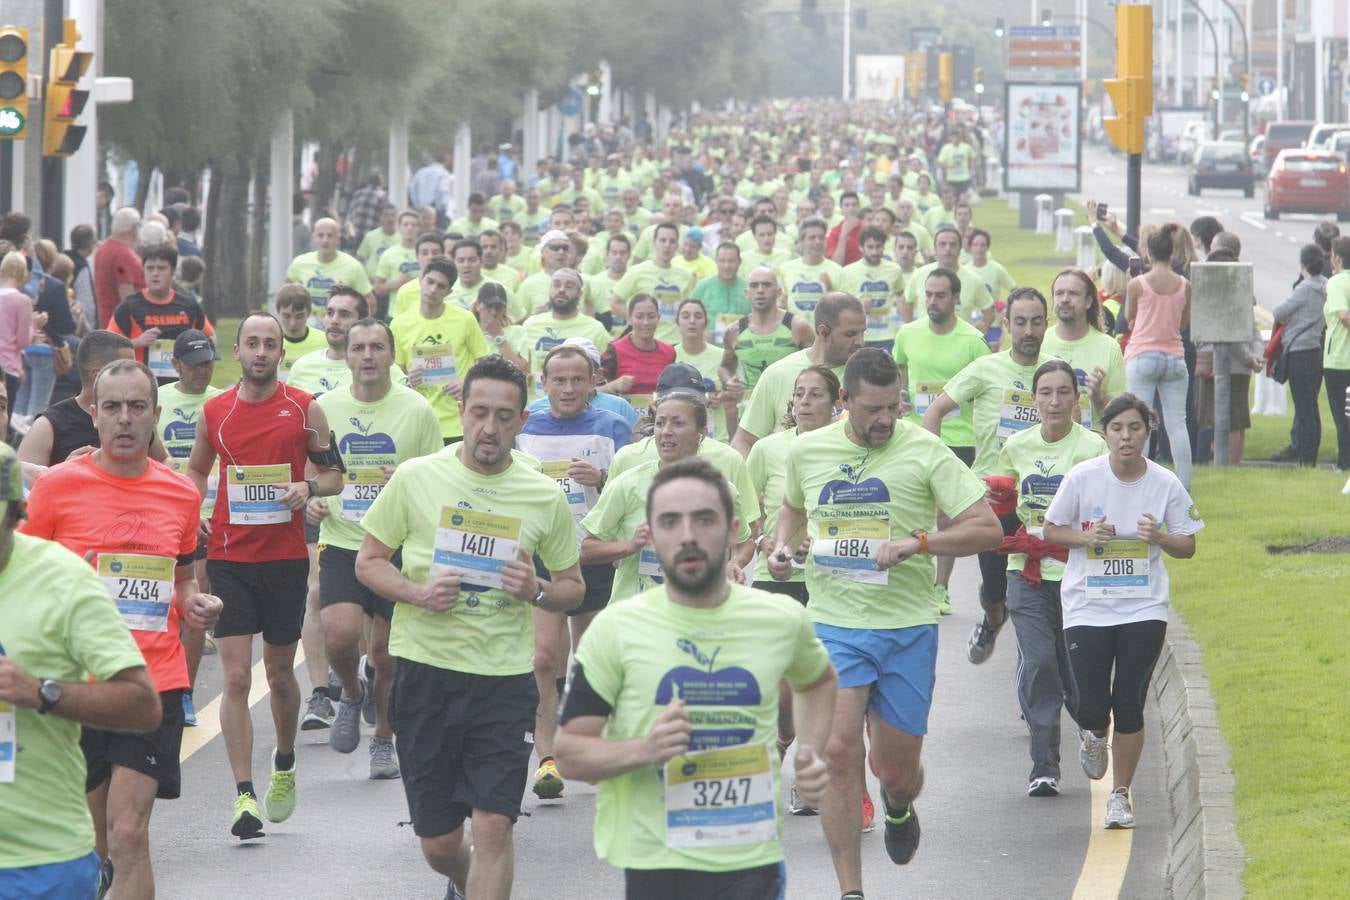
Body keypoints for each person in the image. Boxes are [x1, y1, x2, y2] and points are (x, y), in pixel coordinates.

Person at [768, 349, 1001, 897]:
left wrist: (917, 543)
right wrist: (782, 547)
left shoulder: (925, 450)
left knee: (894, 770)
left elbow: (986, 528)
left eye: (893, 407)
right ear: (843, 401)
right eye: (873, 409)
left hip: (906, 627)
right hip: (834, 624)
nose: (885, 420)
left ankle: (898, 803)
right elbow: (794, 507)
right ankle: (851, 890)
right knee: (838, 751)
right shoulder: (808, 450)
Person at [555, 458, 838, 900]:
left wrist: (813, 752)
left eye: (704, 519)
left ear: (732, 531)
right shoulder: (616, 630)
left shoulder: (780, 619)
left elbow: (818, 680)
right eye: (670, 521)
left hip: (750, 856)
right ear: (649, 533)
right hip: (654, 858)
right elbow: (570, 753)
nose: (687, 535)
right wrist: (644, 749)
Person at [355, 355, 585, 899]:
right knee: (439, 844)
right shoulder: (417, 477)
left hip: (503, 680)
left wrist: (535, 589)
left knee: (494, 826)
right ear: (460, 410)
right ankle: (465, 880)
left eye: (504, 416)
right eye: (479, 412)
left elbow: (573, 586)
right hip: (425, 673)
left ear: (522, 421)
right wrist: (417, 593)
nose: (490, 427)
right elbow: (368, 561)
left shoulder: (541, 495)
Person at [20, 359, 224, 898]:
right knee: (92, 847)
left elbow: (181, 582)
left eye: (138, 407)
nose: (125, 419)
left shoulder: (180, 493)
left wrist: (195, 602)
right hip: (75, 688)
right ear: (93, 414)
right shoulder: (56, 489)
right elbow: (22, 573)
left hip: (150, 683)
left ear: (157, 415)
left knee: (129, 833)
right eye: (112, 407)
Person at [185, 312, 344, 839]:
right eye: (251, 343)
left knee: (278, 674)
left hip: (284, 557)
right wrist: (196, 508)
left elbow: (334, 474)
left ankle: (284, 759)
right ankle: (243, 796)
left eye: (269, 344)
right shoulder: (216, 412)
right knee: (235, 676)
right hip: (231, 556)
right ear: (237, 350)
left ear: (281, 352)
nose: (259, 351)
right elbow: (196, 470)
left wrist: (309, 490)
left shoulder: (305, 409)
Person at [0, 441, 163, 900]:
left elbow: (143, 705)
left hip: (42, 862)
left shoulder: (65, 581)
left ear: (18, 515)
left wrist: (41, 692)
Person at [1044, 393, 1202, 829]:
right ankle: (1093, 733)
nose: (1126, 437)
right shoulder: (1082, 477)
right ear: (1105, 433)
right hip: (1088, 606)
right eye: (1117, 429)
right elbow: (1051, 529)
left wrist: (1162, 538)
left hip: (1142, 606)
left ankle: (1120, 794)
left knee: (1129, 701)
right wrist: (1087, 538)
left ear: (1148, 432)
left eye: (1134, 428)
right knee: (1093, 704)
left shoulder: (1164, 482)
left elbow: (1188, 544)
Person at [310, 317, 441, 777]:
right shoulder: (324, 407)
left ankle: (384, 737)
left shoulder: (417, 409)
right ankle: (350, 690)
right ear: (346, 356)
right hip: (343, 539)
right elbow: (317, 474)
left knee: (385, 654)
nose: (367, 356)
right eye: (359, 348)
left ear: (391, 356)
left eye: (377, 348)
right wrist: (313, 500)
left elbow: (435, 479)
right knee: (340, 635)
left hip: (396, 546)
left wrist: (403, 480)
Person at [514, 343, 632, 803]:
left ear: (593, 383)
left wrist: (600, 480)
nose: (567, 388)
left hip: (592, 554)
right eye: (557, 380)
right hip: (541, 556)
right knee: (544, 659)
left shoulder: (612, 426)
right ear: (542, 384)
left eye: (576, 380)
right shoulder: (527, 427)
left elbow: (628, 493)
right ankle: (547, 760)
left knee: (590, 661)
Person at [994, 360, 1107, 797]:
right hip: (1028, 572)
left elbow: (1106, 511)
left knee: (1074, 667)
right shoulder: (1016, 446)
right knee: (1039, 662)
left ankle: (1093, 728)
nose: (1054, 401)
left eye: (1063, 392)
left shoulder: (1094, 448)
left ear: (1076, 400)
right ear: (1034, 399)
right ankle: (1044, 765)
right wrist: (1001, 503)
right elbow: (1004, 513)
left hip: (1080, 573)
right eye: (1046, 393)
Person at [925, 287, 1053, 663]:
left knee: (1044, 589)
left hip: (1045, 496)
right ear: (1006, 324)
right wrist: (935, 475)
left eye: (1035, 322)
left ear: (1047, 324)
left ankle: (1044, 664)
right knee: (996, 591)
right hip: (994, 500)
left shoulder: (1055, 371)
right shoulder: (985, 369)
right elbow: (934, 413)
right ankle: (994, 617)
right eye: (1020, 322)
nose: (1028, 330)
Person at [746, 364, 841, 797]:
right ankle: (784, 738)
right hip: (775, 577)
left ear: (836, 404)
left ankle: (808, 775)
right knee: (781, 692)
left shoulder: (844, 450)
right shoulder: (767, 450)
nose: (803, 401)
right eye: (799, 394)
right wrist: (771, 545)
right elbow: (747, 519)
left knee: (817, 682)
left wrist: (821, 547)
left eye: (814, 394)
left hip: (828, 582)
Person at [581, 390, 754, 608]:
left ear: (702, 432)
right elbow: (587, 549)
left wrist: (734, 563)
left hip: (698, 613)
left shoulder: (722, 491)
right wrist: (628, 546)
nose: (666, 432)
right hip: (637, 616)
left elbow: (744, 541)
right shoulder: (628, 484)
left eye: (678, 423)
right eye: (660, 423)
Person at [893, 268, 991, 615]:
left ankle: (941, 588)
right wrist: (900, 402)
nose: (933, 301)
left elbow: (986, 391)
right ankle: (908, 583)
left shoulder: (973, 341)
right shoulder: (907, 334)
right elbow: (899, 374)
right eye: (929, 295)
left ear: (956, 299)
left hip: (958, 440)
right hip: (913, 436)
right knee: (908, 510)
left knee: (947, 519)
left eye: (940, 295)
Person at [155, 330, 224, 725]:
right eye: (194, 363)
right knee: (165, 605)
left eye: (207, 362)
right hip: (164, 511)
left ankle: (184, 691)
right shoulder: (159, 399)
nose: (202, 370)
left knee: (192, 599)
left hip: (211, 512)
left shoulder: (221, 400)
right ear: (176, 364)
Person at [732, 292, 866, 456]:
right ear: (823, 332)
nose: (860, 341)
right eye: (850, 334)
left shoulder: (867, 376)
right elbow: (743, 440)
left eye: (863, 332)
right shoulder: (777, 374)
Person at [390, 256, 493, 444]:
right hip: (419, 418)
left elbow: (485, 362)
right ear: (421, 280)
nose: (433, 290)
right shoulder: (399, 324)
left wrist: (467, 383)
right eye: (430, 282)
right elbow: (395, 373)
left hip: (458, 422)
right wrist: (408, 382)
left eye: (441, 286)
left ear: (449, 291)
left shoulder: (465, 319)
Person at [1124, 229, 1193, 489]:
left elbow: (1129, 318)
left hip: (1142, 356)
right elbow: (1184, 323)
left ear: (1148, 254)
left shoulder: (1137, 284)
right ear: (1172, 253)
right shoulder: (1185, 286)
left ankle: (1139, 482)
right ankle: (1185, 484)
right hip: (1175, 358)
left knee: (1141, 422)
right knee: (1177, 424)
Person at [18, 330, 137, 468]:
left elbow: (164, 462)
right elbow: (23, 484)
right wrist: (66, 471)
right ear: (98, 375)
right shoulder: (49, 425)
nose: (137, 375)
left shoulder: (138, 417)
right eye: (129, 369)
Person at [107, 243, 214, 383]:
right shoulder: (128, 307)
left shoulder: (189, 306)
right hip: (141, 386)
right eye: (150, 268)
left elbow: (210, 338)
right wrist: (137, 342)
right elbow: (107, 348)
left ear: (173, 271)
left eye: (161, 268)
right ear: (143, 271)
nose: (155, 274)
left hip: (181, 386)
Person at [1042, 267, 1127, 429]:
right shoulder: (1040, 341)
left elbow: (1122, 414)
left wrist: (1098, 397)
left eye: (1073, 293)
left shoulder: (1109, 347)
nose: (1065, 299)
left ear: (1088, 301)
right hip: (1047, 446)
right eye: (1059, 293)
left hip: (1094, 447)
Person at [718, 267, 814, 399]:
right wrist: (729, 382)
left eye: (766, 285)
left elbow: (818, 366)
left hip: (788, 410)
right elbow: (725, 368)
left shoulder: (798, 327)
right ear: (746, 292)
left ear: (778, 292)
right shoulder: (734, 331)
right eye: (754, 285)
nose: (760, 290)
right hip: (749, 410)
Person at [522, 268, 612, 399]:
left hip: (579, 408)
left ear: (580, 293)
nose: (562, 290)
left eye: (569, 286)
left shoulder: (595, 328)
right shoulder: (530, 324)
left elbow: (607, 373)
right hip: (536, 408)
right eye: (556, 285)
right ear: (549, 289)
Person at [609, 221, 695, 343]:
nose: (667, 245)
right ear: (654, 243)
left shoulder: (686, 276)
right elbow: (614, 303)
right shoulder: (637, 272)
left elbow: (687, 310)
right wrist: (638, 320)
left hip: (676, 343)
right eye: (662, 240)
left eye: (672, 241)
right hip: (645, 342)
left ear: (677, 246)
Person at [286, 218, 375, 319]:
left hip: (340, 329)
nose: (325, 240)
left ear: (338, 238)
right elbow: (285, 297)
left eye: (330, 236)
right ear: (314, 238)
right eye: (320, 235)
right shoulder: (299, 263)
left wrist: (357, 324)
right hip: (307, 328)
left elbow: (370, 300)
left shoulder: (353, 266)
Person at [599, 294, 675, 408]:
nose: (646, 322)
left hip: (660, 421)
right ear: (629, 318)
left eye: (651, 316)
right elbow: (592, 392)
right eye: (639, 317)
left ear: (658, 318)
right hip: (624, 420)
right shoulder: (614, 351)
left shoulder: (669, 352)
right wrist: (613, 386)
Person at [840, 226, 907, 350]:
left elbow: (900, 297)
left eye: (878, 246)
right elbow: (841, 306)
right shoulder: (847, 271)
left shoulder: (895, 270)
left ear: (884, 246)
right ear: (861, 247)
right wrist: (859, 308)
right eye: (870, 247)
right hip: (860, 335)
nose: (875, 251)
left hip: (888, 334)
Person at [777, 217, 844, 325]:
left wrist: (830, 289)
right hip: (795, 335)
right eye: (812, 238)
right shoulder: (786, 269)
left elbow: (843, 309)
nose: (817, 241)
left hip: (826, 336)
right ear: (802, 241)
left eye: (821, 238)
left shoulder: (837, 270)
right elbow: (782, 303)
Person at [1322, 236, 1350, 471]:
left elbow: (1343, 315)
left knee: (1342, 416)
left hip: (1339, 360)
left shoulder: (1336, 282)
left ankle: (1344, 464)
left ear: (1338, 258)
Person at [93, 207, 145, 328]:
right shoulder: (123, 255)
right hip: (123, 328)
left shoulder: (103, 249)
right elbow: (127, 296)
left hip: (108, 321)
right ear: (135, 228)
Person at [372, 210, 424, 320]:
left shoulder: (427, 252)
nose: (409, 228)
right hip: (396, 314)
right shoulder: (388, 254)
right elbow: (377, 289)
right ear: (399, 228)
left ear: (419, 228)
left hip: (423, 314)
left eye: (413, 225)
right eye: (405, 224)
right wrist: (398, 283)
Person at [274, 284, 330, 384]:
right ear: (278, 312)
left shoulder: (324, 342)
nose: (292, 323)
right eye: (286, 316)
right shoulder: (270, 343)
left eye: (299, 316)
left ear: (309, 312)